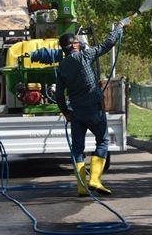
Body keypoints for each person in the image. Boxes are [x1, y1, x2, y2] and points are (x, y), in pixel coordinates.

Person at [55, 21, 127, 196]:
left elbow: (59, 94)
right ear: (73, 45)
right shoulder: (85, 56)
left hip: (77, 113)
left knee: (77, 150)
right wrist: (119, 27)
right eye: (77, 41)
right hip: (95, 109)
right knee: (102, 141)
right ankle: (94, 179)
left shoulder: (62, 67)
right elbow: (108, 44)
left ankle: (82, 187)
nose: (80, 42)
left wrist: (66, 112)